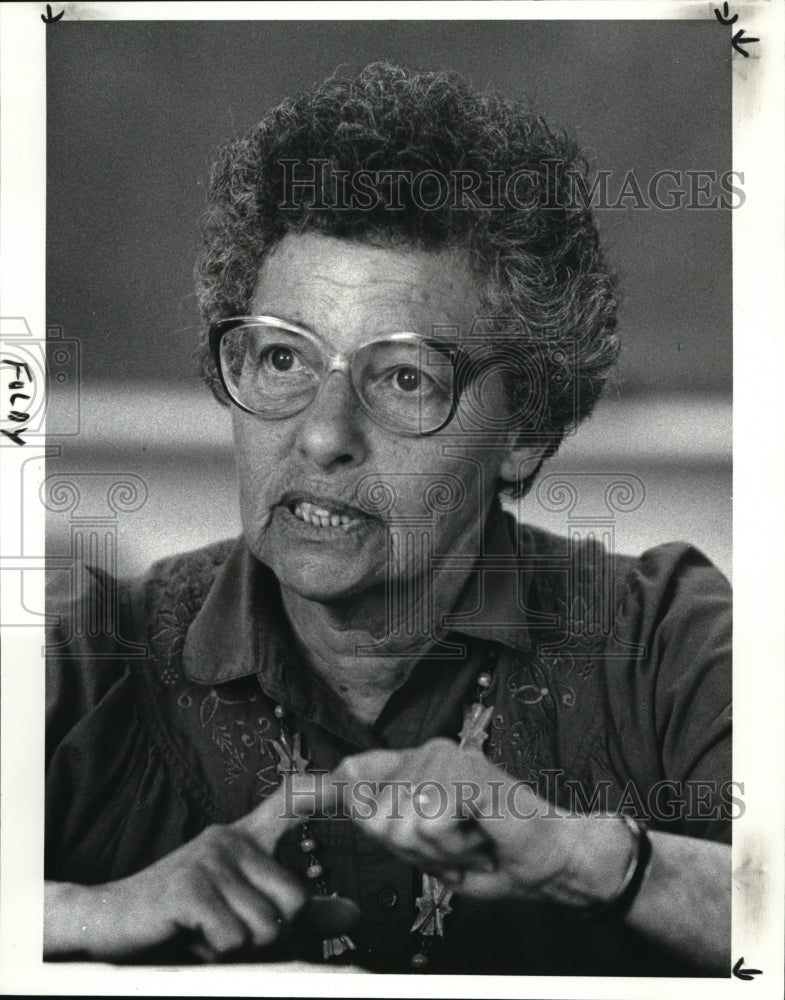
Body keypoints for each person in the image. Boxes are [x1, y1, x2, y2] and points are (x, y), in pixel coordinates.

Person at [44, 63, 732, 976]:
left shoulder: (664, 646)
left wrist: (588, 857)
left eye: (405, 377)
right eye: (282, 358)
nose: (323, 436)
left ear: (524, 432)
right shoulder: (84, 661)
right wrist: (73, 913)